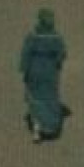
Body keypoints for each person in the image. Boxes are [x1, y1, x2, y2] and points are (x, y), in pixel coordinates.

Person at [19, 7, 68, 143]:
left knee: (35, 99)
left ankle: (36, 130)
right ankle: (50, 126)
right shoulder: (56, 37)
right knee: (49, 97)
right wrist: (56, 64)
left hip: (35, 68)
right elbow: (62, 53)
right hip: (50, 71)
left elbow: (26, 53)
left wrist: (24, 69)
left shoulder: (33, 35)